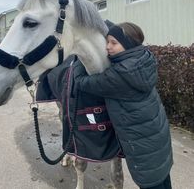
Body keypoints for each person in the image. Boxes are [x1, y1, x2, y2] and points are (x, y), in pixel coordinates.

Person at [73, 22, 173, 189]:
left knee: (151, 182)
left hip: (142, 148)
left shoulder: (118, 76)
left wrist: (79, 56)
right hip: (158, 139)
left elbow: (81, 82)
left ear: (128, 45)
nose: (107, 47)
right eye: (107, 42)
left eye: (114, 43)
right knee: (163, 178)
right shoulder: (145, 58)